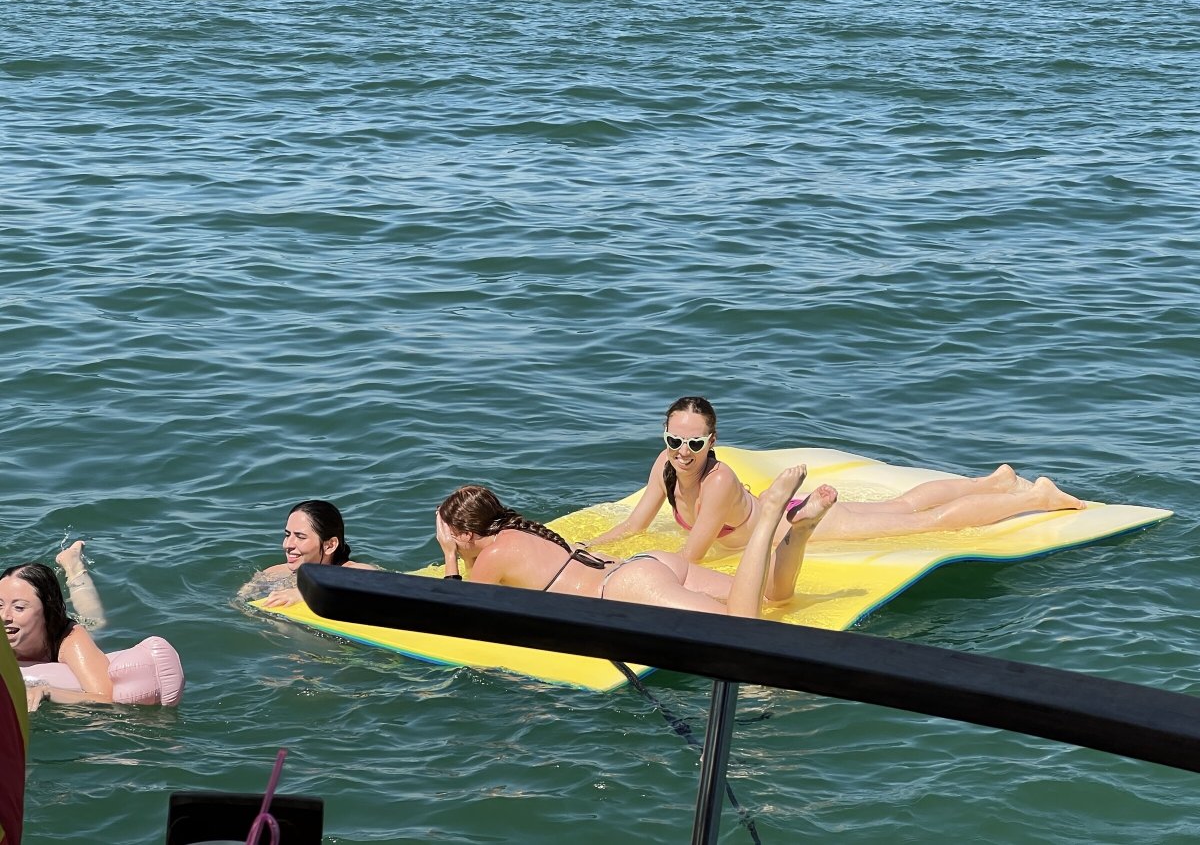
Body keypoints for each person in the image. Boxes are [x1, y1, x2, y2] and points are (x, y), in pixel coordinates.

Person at [586, 396, 1087, 564]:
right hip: (792, 511)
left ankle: (1037, 497)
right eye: (676, 440)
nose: (683, 452)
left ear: (712, 441)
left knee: (923, 521)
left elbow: (689, 556)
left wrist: (618, 567)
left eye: (695, 444)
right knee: (905, 507)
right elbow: (634, 524)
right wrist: (589, 546)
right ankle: (992, 481)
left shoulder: (718, 483)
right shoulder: (664, 466)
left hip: (806, 524)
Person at [435, 465, 838, 616]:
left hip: (627, 586)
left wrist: (450, 557)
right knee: (772, 597)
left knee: (743, 624)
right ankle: (798, 531)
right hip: (649, 565)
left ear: (468, 534)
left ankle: (769, 517)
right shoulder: (520, 530)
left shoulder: (495, 555)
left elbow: (458, 614)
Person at [1, 550, 113, 712]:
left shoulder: (70, 641)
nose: (4, 616)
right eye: (0, 605)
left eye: (19, 607)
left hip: (59, 634)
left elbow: (105, 698)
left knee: (95, 623)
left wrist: (48, 692)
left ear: (47, 611)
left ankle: (73, 566)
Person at [240, 500, 377, 608]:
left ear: (329, 545)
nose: (287, 545)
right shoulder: (273, 573)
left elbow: (379, 583)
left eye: (300, 537)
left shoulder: (353, 570)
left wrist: (305, 594)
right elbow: (240, 601)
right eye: (288, 535)